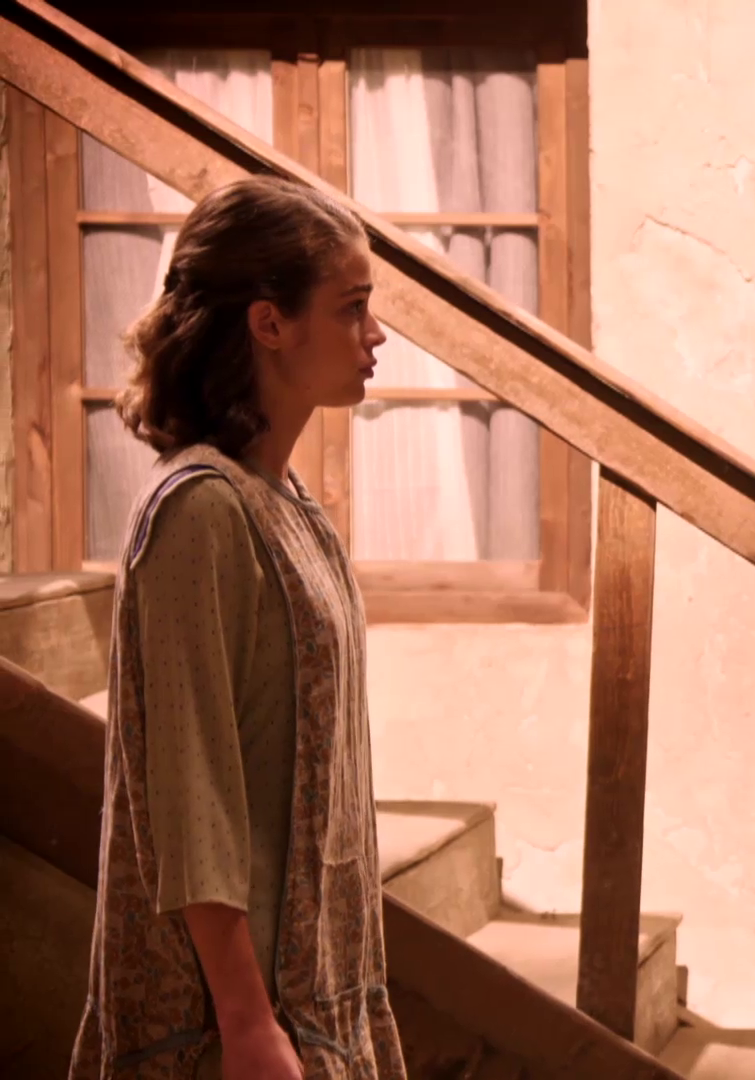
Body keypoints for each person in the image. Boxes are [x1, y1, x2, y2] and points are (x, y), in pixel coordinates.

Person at [69, 175, 405, 1079]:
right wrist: (249, 1023)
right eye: (352, 308)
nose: (376, 334)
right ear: (269, 323)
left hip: (314, 990)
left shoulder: (287, 500)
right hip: (234, 1022)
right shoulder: (201, 509)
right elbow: (192, 792)